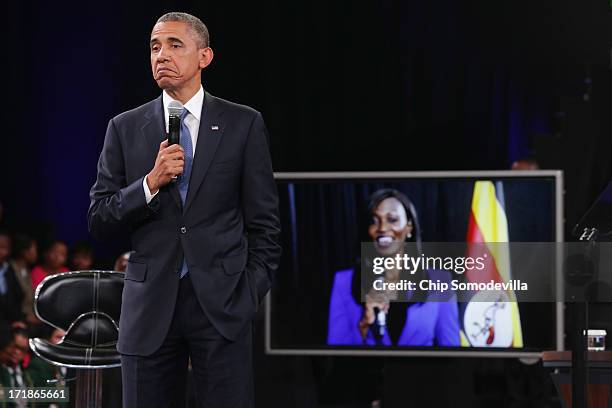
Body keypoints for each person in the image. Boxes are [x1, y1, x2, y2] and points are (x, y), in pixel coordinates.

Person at [87, 12, 281, 408]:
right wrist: (149, 183)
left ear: (204, 56)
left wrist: (247, 293)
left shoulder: (242, 123)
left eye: (175, 45)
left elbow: (265, 226)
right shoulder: (124, 128)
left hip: (222, 303)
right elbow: (99, 218)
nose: (162, 55)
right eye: (155, 46)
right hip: (149, 306)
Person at [327, 189, 460, 346]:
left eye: (392, 219)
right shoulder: (343, 282)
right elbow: (336, 354)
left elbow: (451, 352)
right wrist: (364, 325)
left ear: (409, 227)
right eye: (374, 221)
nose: (382, 228)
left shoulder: (440, 281)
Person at [9, 234, 38, 325]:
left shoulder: (26, 269)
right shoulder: (10, 270)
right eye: (34, 249)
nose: (36, 253)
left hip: (29, 318)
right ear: (24, 251)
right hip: (17, 320)